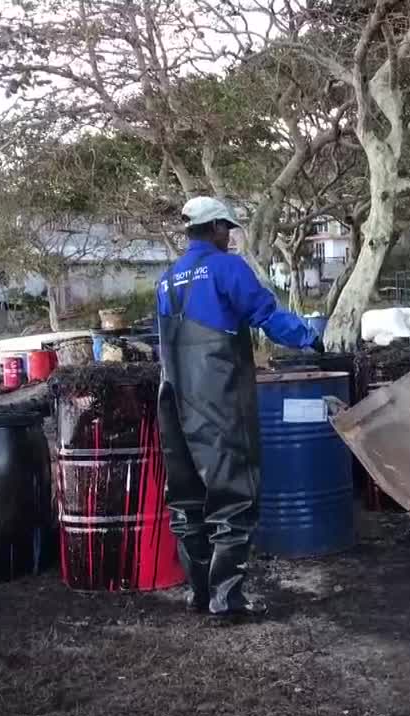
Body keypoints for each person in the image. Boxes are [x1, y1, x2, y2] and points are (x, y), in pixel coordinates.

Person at [155, 196, 323, 620]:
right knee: (233, 494)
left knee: (188, 498)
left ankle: (198, 594)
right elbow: (266, 314)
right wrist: (309, 337)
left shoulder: (167, 279)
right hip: (218, 396)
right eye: (226, 229)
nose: (230, 237)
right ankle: (226, 600)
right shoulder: (226, 269)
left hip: (173, 398)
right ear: (212, 229)